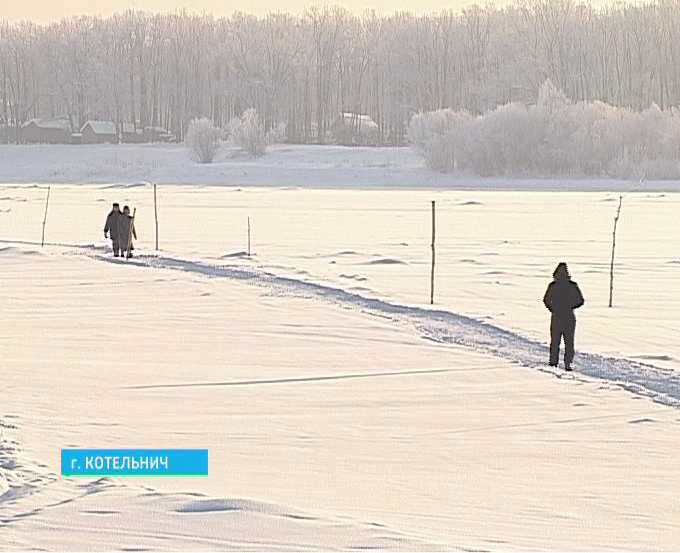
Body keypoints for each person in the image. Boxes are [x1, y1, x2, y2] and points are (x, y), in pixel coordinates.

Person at [542, 262, 584, 371]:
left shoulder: (553, 285)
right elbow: (580, 301)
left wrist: (553, 308)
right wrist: (570, 307)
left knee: (555, 341)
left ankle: (553, 363)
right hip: (569, 317)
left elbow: (546, 300)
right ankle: (568, 364)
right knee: (569, 342)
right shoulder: (572, 285)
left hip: (557, 317)